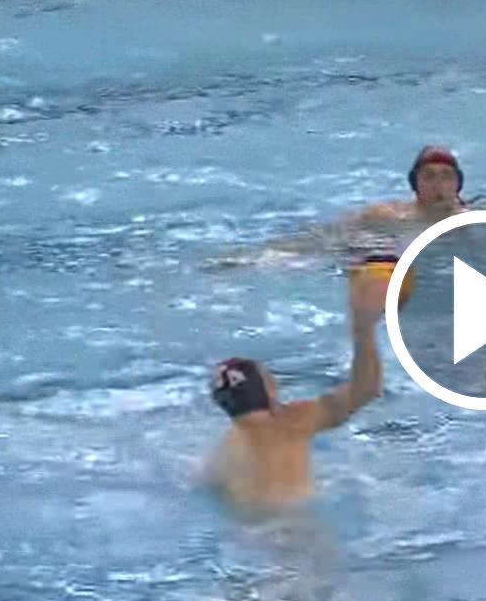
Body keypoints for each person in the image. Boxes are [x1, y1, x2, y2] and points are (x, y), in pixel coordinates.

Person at [199, 267, 389, 515]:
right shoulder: (292, 421)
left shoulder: (220, 456)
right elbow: (367, 389)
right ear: (268, 391)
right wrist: (362, 327)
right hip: (297, 527)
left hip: (251, 530)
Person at [205, 145, 469, 270]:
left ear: (458, 184)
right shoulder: (388, 215)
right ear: (415, 184)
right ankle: (244, 260)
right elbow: (328, 234)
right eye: (429, 176)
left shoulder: (471, 221)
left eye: (446, 177)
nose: (438, 185)